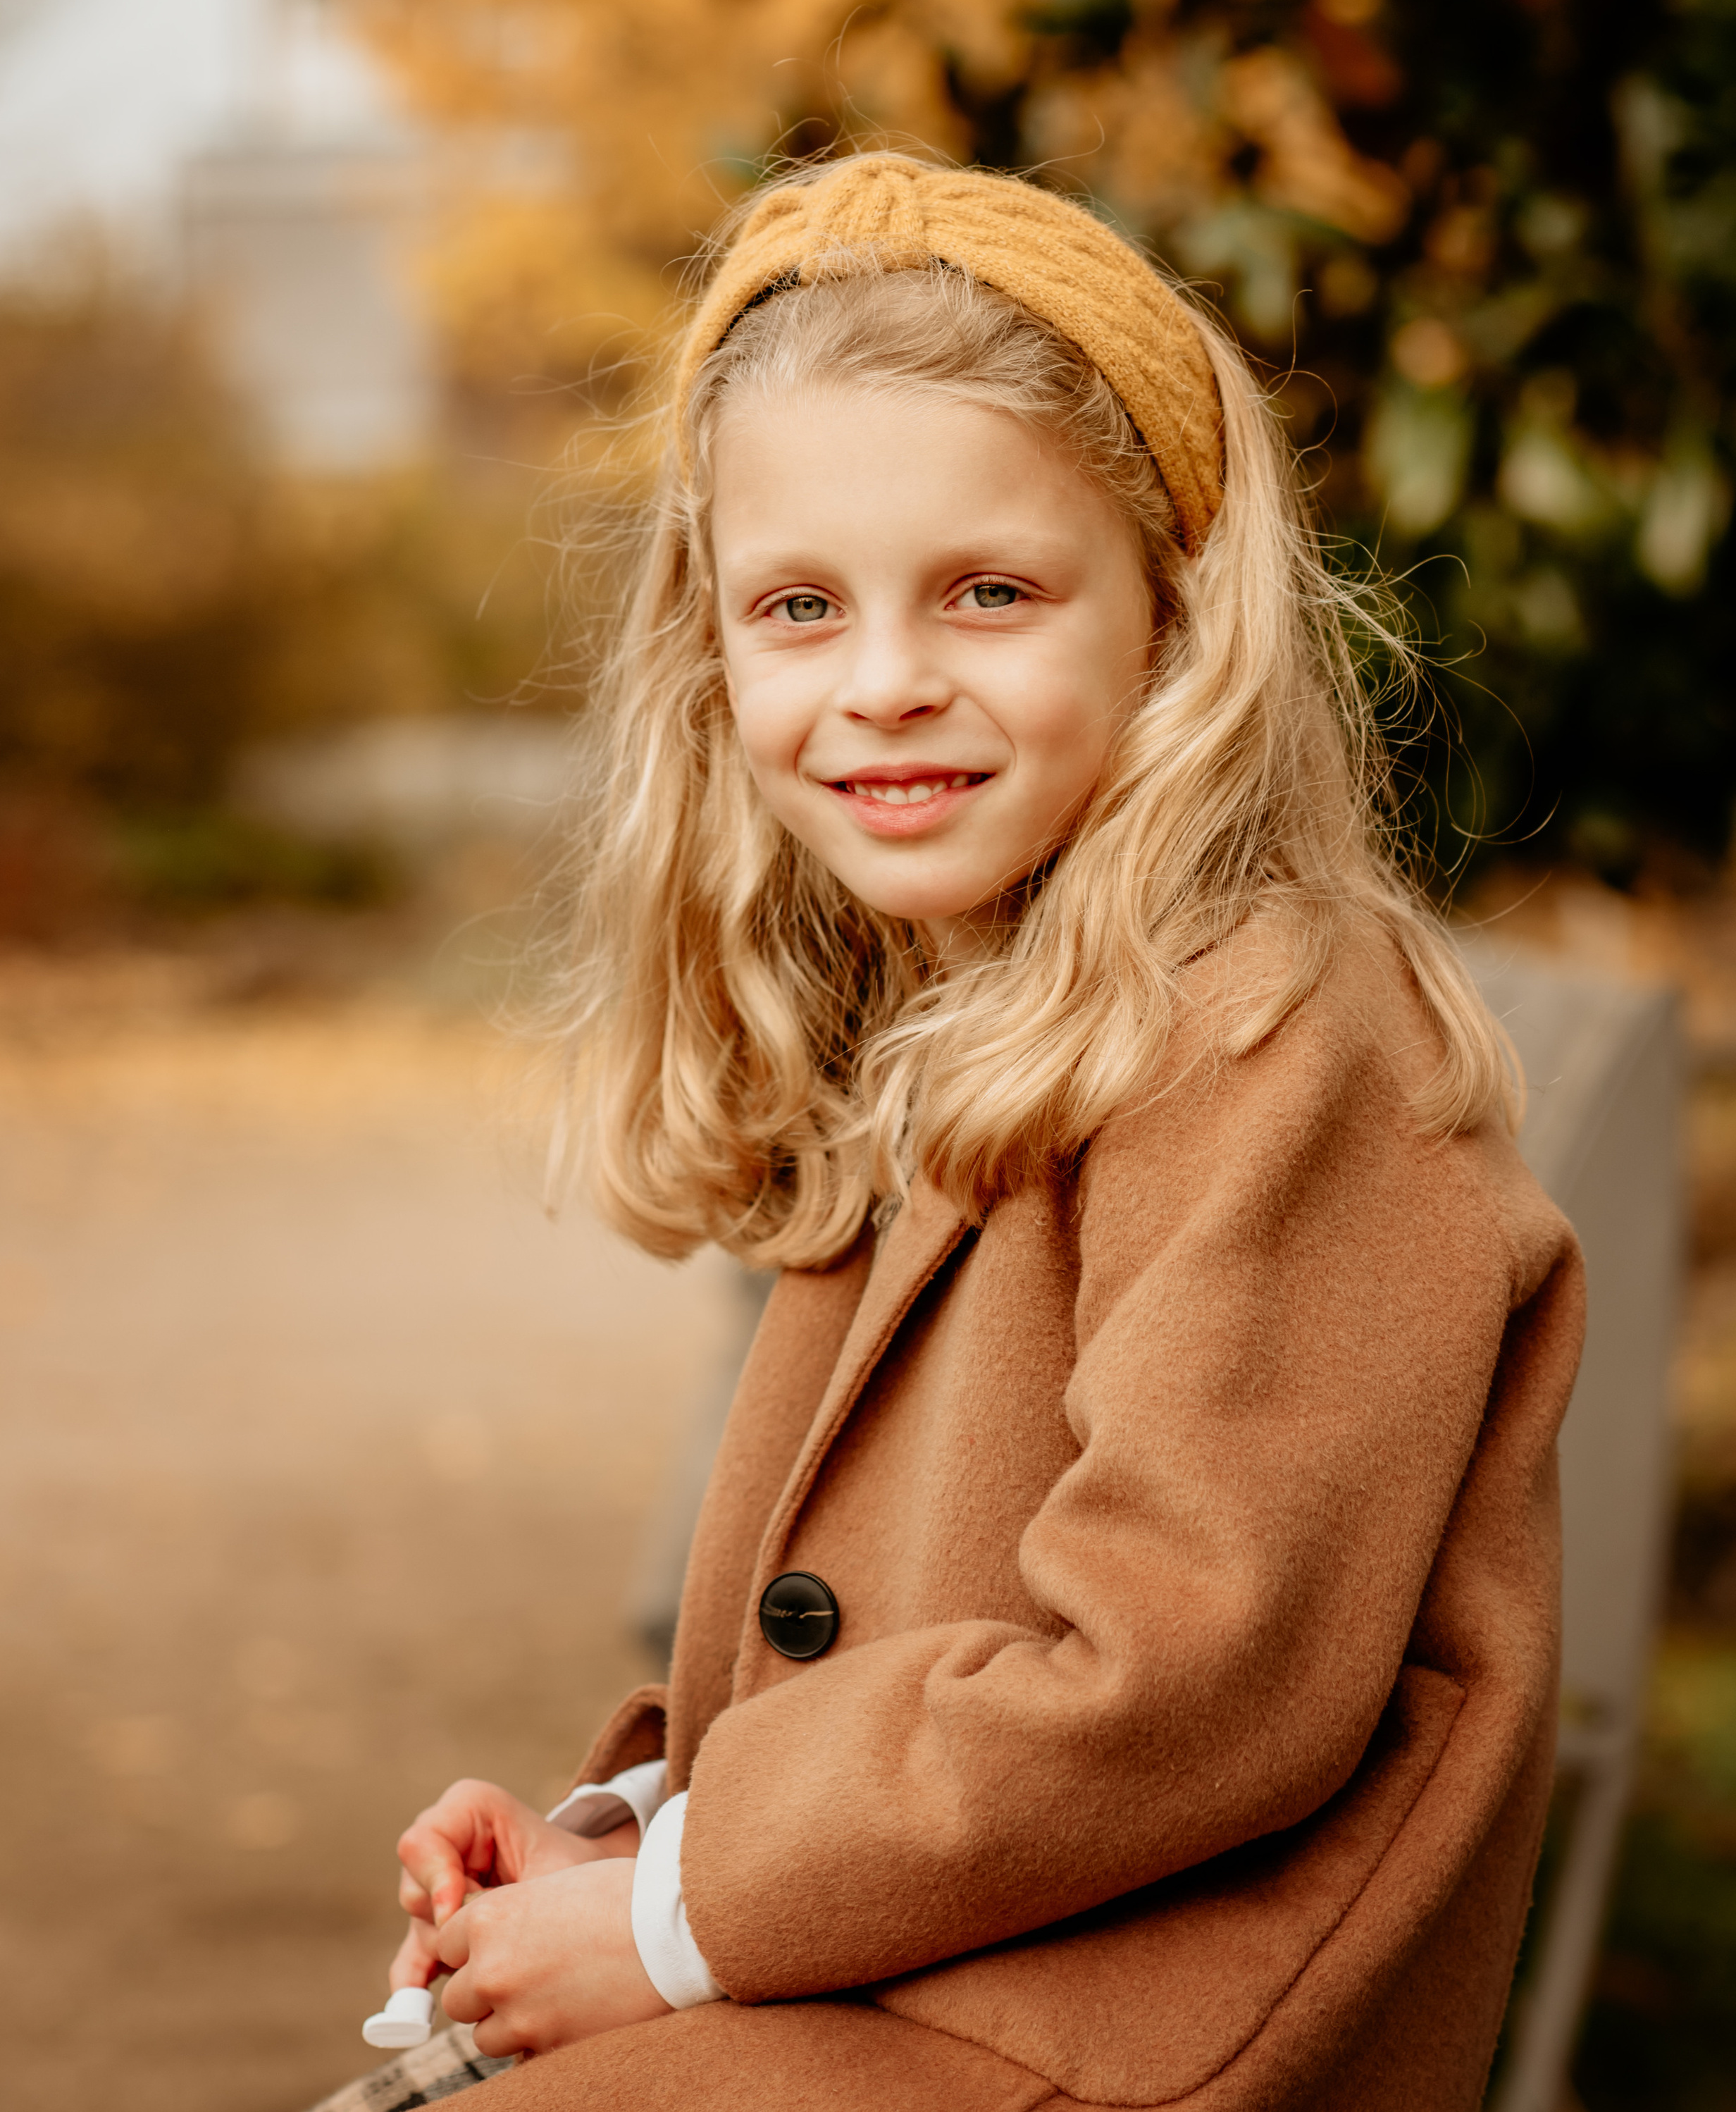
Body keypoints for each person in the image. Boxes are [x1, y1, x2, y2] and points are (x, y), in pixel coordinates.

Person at [317, 152, 1582, 2112]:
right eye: (802, 607)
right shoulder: (953, 1001)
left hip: (1131, 2033)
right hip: (935, 1969)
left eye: (990, 591)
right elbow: (907, 1634)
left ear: (1170, 617)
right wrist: (630, 1835)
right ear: (713, 648)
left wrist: (677, 1911)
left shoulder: (1273, 1035)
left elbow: (1185, 1678)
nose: (888, 679)